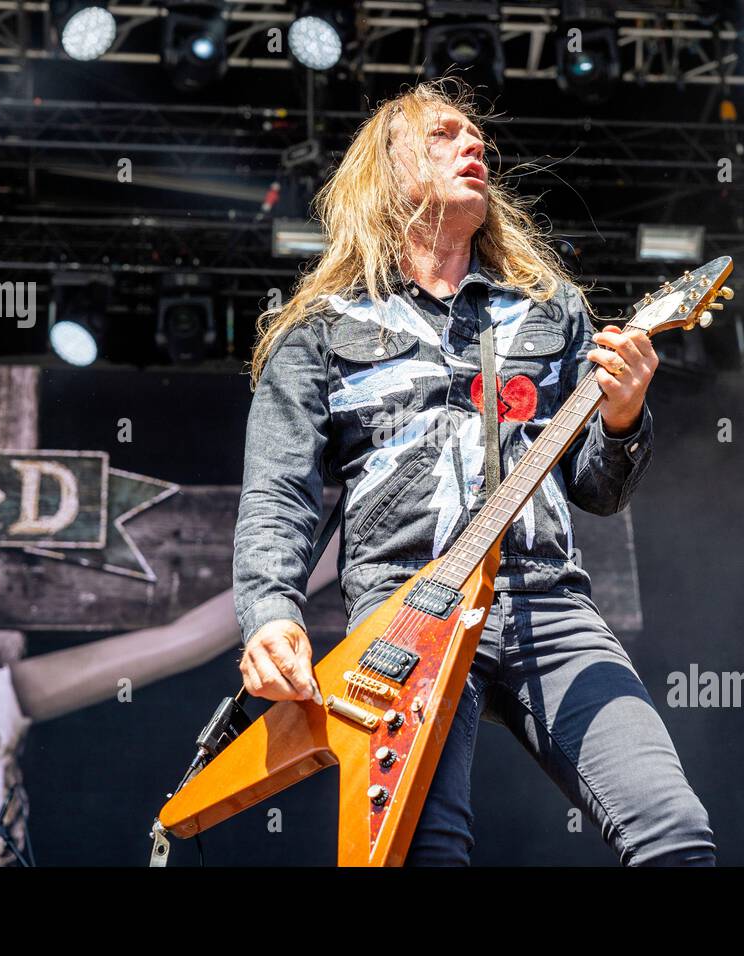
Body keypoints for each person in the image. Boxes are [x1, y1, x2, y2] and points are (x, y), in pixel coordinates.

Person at [232, 78, 715, 866]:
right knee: (426, 853)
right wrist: (269, 615)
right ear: (388, 173)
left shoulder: (548, 309)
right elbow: (277, 493)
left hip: (545, 601)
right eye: (445, 136)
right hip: (403, 606)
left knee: (673, 829)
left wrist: (623, 418)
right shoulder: (321, 330)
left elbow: (598, 489)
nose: (474, 146)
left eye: (478, 138)